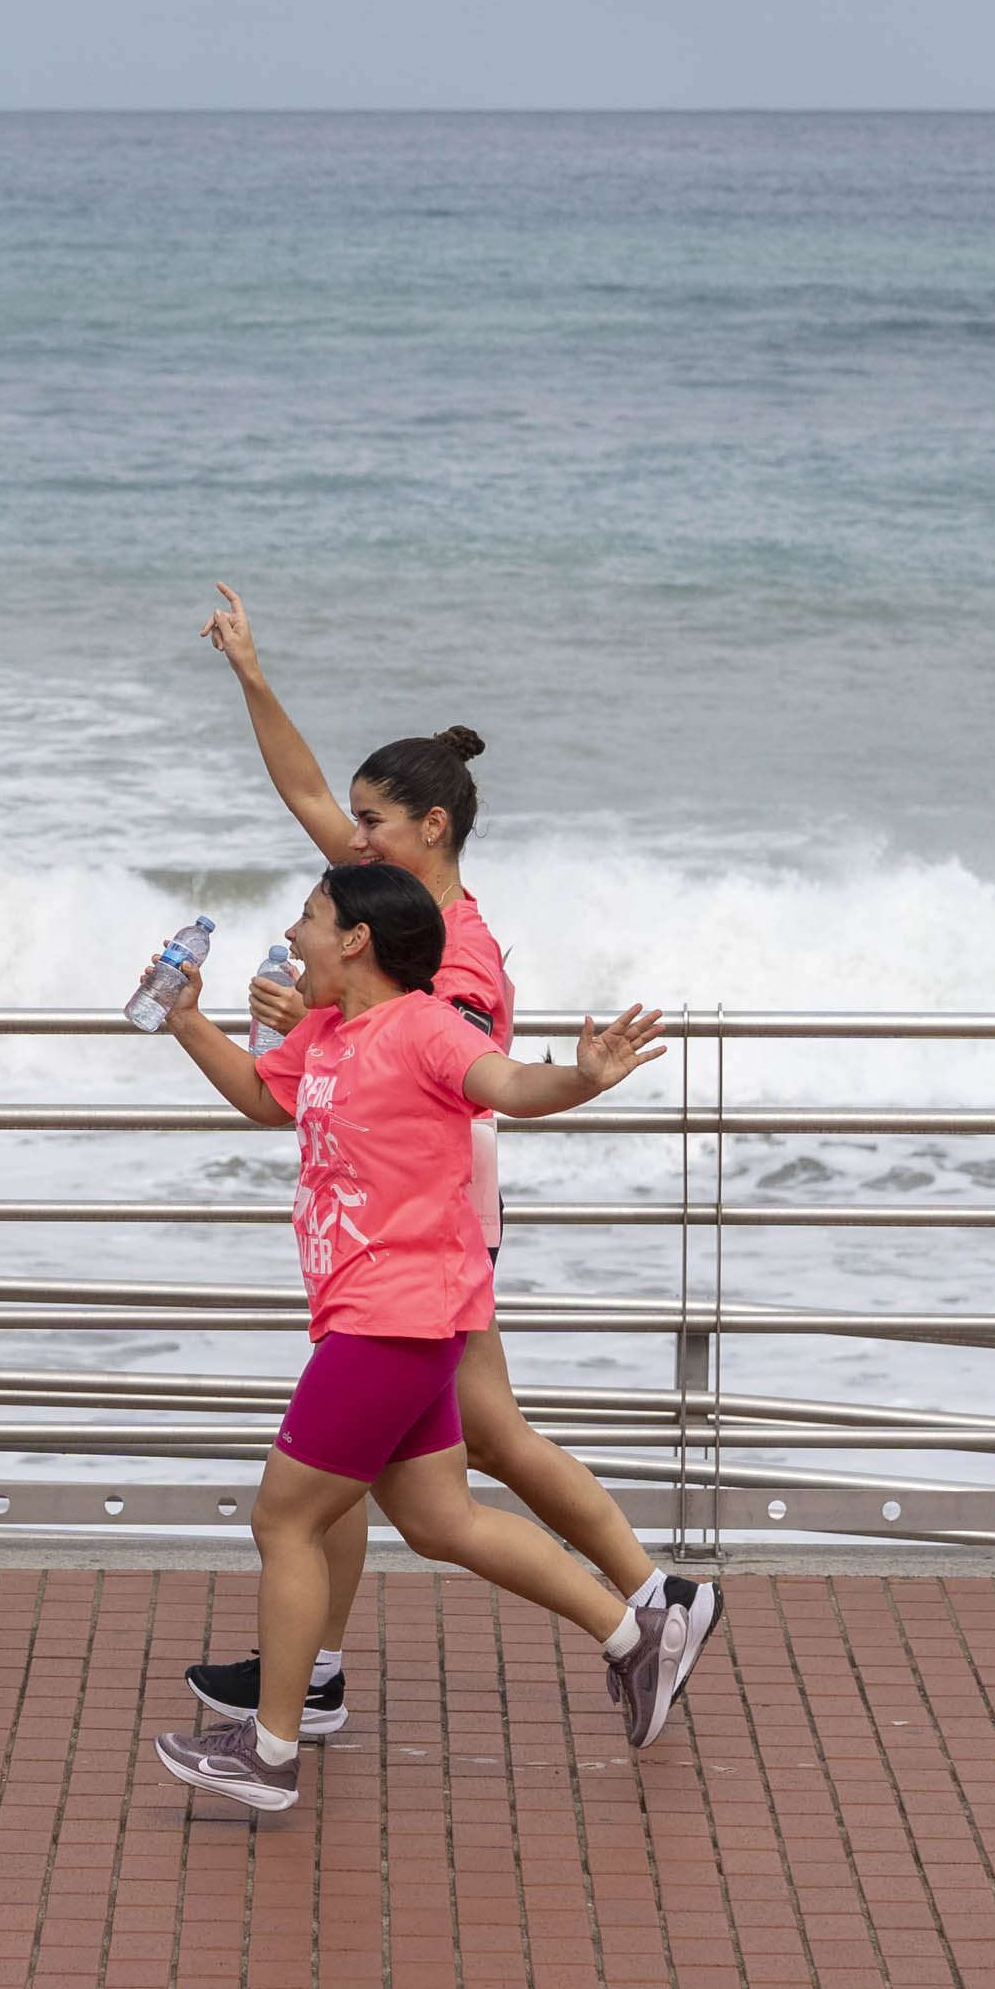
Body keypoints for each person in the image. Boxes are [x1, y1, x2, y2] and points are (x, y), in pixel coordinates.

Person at [192, 582, 721, 1748]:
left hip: (428, 1226)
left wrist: (317, 1009)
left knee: (400, 1460)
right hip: (380, 1223)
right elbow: (300, 789)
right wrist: (251, 672)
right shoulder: (369, 910)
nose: (349, 834)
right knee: (425, 1477)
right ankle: (626, 1613)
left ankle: (647, 1606)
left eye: (373, 822)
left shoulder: (451, 958)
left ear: (431, 828)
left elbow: (474, 1075)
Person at [149, 865, 668, 1811]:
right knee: (439, 1521)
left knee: (285, 1519)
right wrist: (186, 1020)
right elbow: (268, 1101)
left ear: (356, 941)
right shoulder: (328, 1030)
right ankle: (636, 1636)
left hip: (396, 1315)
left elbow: (505, 1081)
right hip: (385, 1310)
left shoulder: (425, 1023)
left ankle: (268, 1753)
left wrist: (586, 1079)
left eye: (309, 918)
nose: (294, 935)